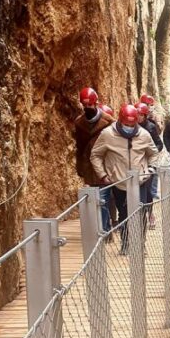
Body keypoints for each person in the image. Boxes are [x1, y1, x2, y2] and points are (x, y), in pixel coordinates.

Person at [91, 103, 159, 255]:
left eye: (132, 124)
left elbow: (153, 153)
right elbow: (95, 155)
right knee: (123, 214)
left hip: (140, 181)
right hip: (119, 182)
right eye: (126, 124)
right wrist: (103, 175)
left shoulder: (143, 135)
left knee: (140, 214)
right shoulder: (108, 134)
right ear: (120, 120)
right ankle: (126, 244)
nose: (129, 127)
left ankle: (140, 245)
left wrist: (150, 170)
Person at [74, 87, 115, 235]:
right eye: (84, 105)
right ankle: (103, 229)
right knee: (94, 199)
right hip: (89, 167)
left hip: (105, 166)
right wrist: (80, 166)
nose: (87, 108)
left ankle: (105, 230)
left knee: (103, 198)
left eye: (89, 105)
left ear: (96, 103)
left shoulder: (109, 122)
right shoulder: (79, 123)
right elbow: (79, 147)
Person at [137, 102, 163, 229]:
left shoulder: (151, 127)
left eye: (141, 115)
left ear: (145, 115)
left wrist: (151, 153)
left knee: (147, 192)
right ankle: (139, 218)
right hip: (136, 164)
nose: (139, 117)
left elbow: (159, 144)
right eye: (137, 114)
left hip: (148, 164)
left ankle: (150, 214)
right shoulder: (131, 127)